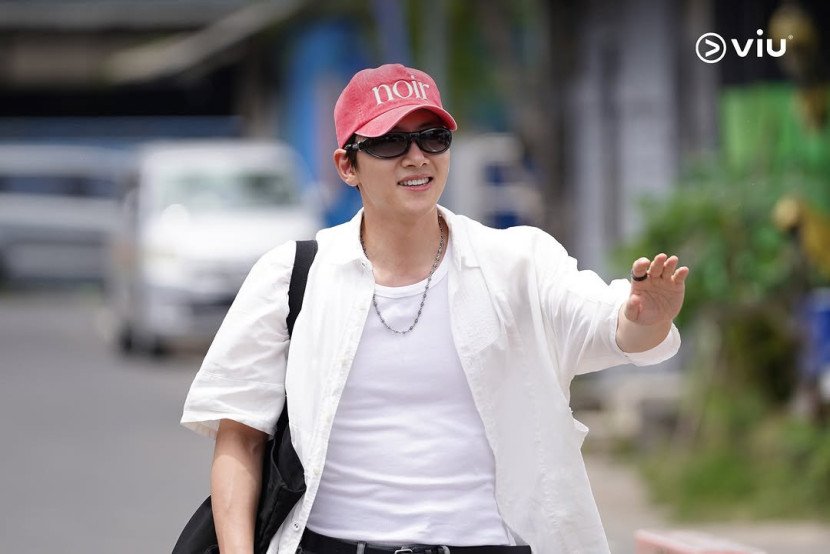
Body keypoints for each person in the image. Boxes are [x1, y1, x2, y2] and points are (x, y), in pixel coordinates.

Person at [181, 63, 689, 554]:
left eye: (433, 138)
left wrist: (645, 317)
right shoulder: (292, 277)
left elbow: (607, 325)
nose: (416, 157)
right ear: (347, 166)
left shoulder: (518, 263)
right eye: (389, 142)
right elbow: (241, 439)